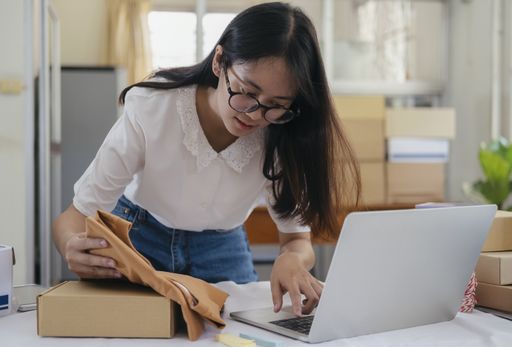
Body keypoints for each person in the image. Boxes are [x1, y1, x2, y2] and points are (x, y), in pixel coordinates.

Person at [52, 1, 360, 317]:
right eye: (245, 91)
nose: (254, 114)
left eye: (275, 104)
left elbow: (297, 240)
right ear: (219, 62)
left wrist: (292, 259)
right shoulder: (153, 107)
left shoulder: (283, 134)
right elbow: (72, 218)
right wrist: (72, 246)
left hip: (222, 249)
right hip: (138, 239)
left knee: (241, 331)